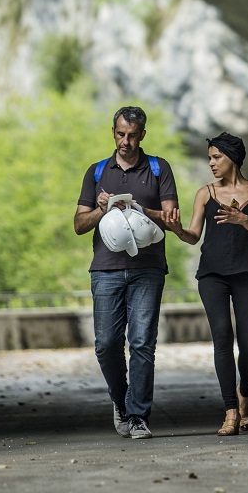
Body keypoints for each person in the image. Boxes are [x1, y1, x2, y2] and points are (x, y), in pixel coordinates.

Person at [74, 105, 179, 440]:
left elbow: (171, 217)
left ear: (143, 135)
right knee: (106, 344)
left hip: (148, 269)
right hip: (105, 270)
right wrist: (102, 208)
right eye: (121, 134)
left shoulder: (159, 168)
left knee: (142, 342)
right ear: (113, 132)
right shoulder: (97, 172)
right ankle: (120, 401)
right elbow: (79, 224)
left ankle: (137, 416)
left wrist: (138, 207)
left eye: (133, 135)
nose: (126, 141)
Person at [164, 132, 248, 436]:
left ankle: (245, 395)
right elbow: (193, 235)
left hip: (247, 276)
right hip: (212, 275)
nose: (211, 163)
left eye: (216, 157)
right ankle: (230, 411)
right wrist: (176, 230)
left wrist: (243, 220)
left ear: (232, 158)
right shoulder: (204, 194)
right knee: (222, 338)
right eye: (209, 157)